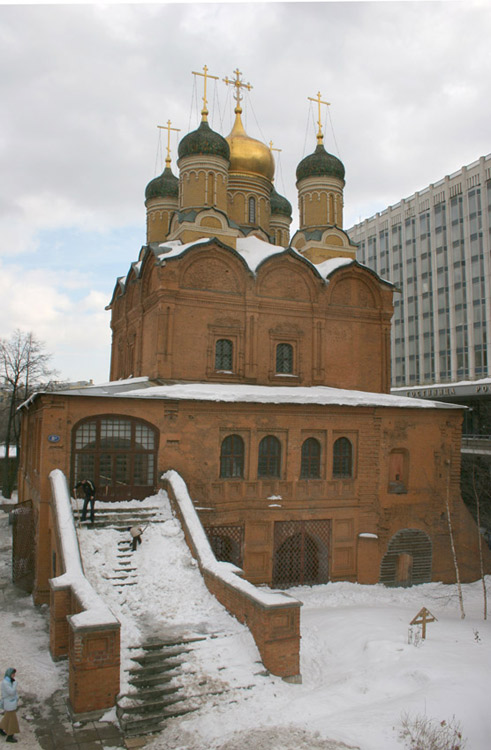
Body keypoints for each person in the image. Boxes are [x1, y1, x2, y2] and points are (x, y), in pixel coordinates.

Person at [0, 667, 19, 743]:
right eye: (13, 673)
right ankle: (10, 736)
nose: (14, 675)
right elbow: (11, 692)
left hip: (11, 703)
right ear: (10, 674)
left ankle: (0, 728)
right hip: (9, 704)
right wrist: (14, 684)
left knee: (7, 718)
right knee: (13, 721)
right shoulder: (5, 683)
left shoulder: (9, 681)